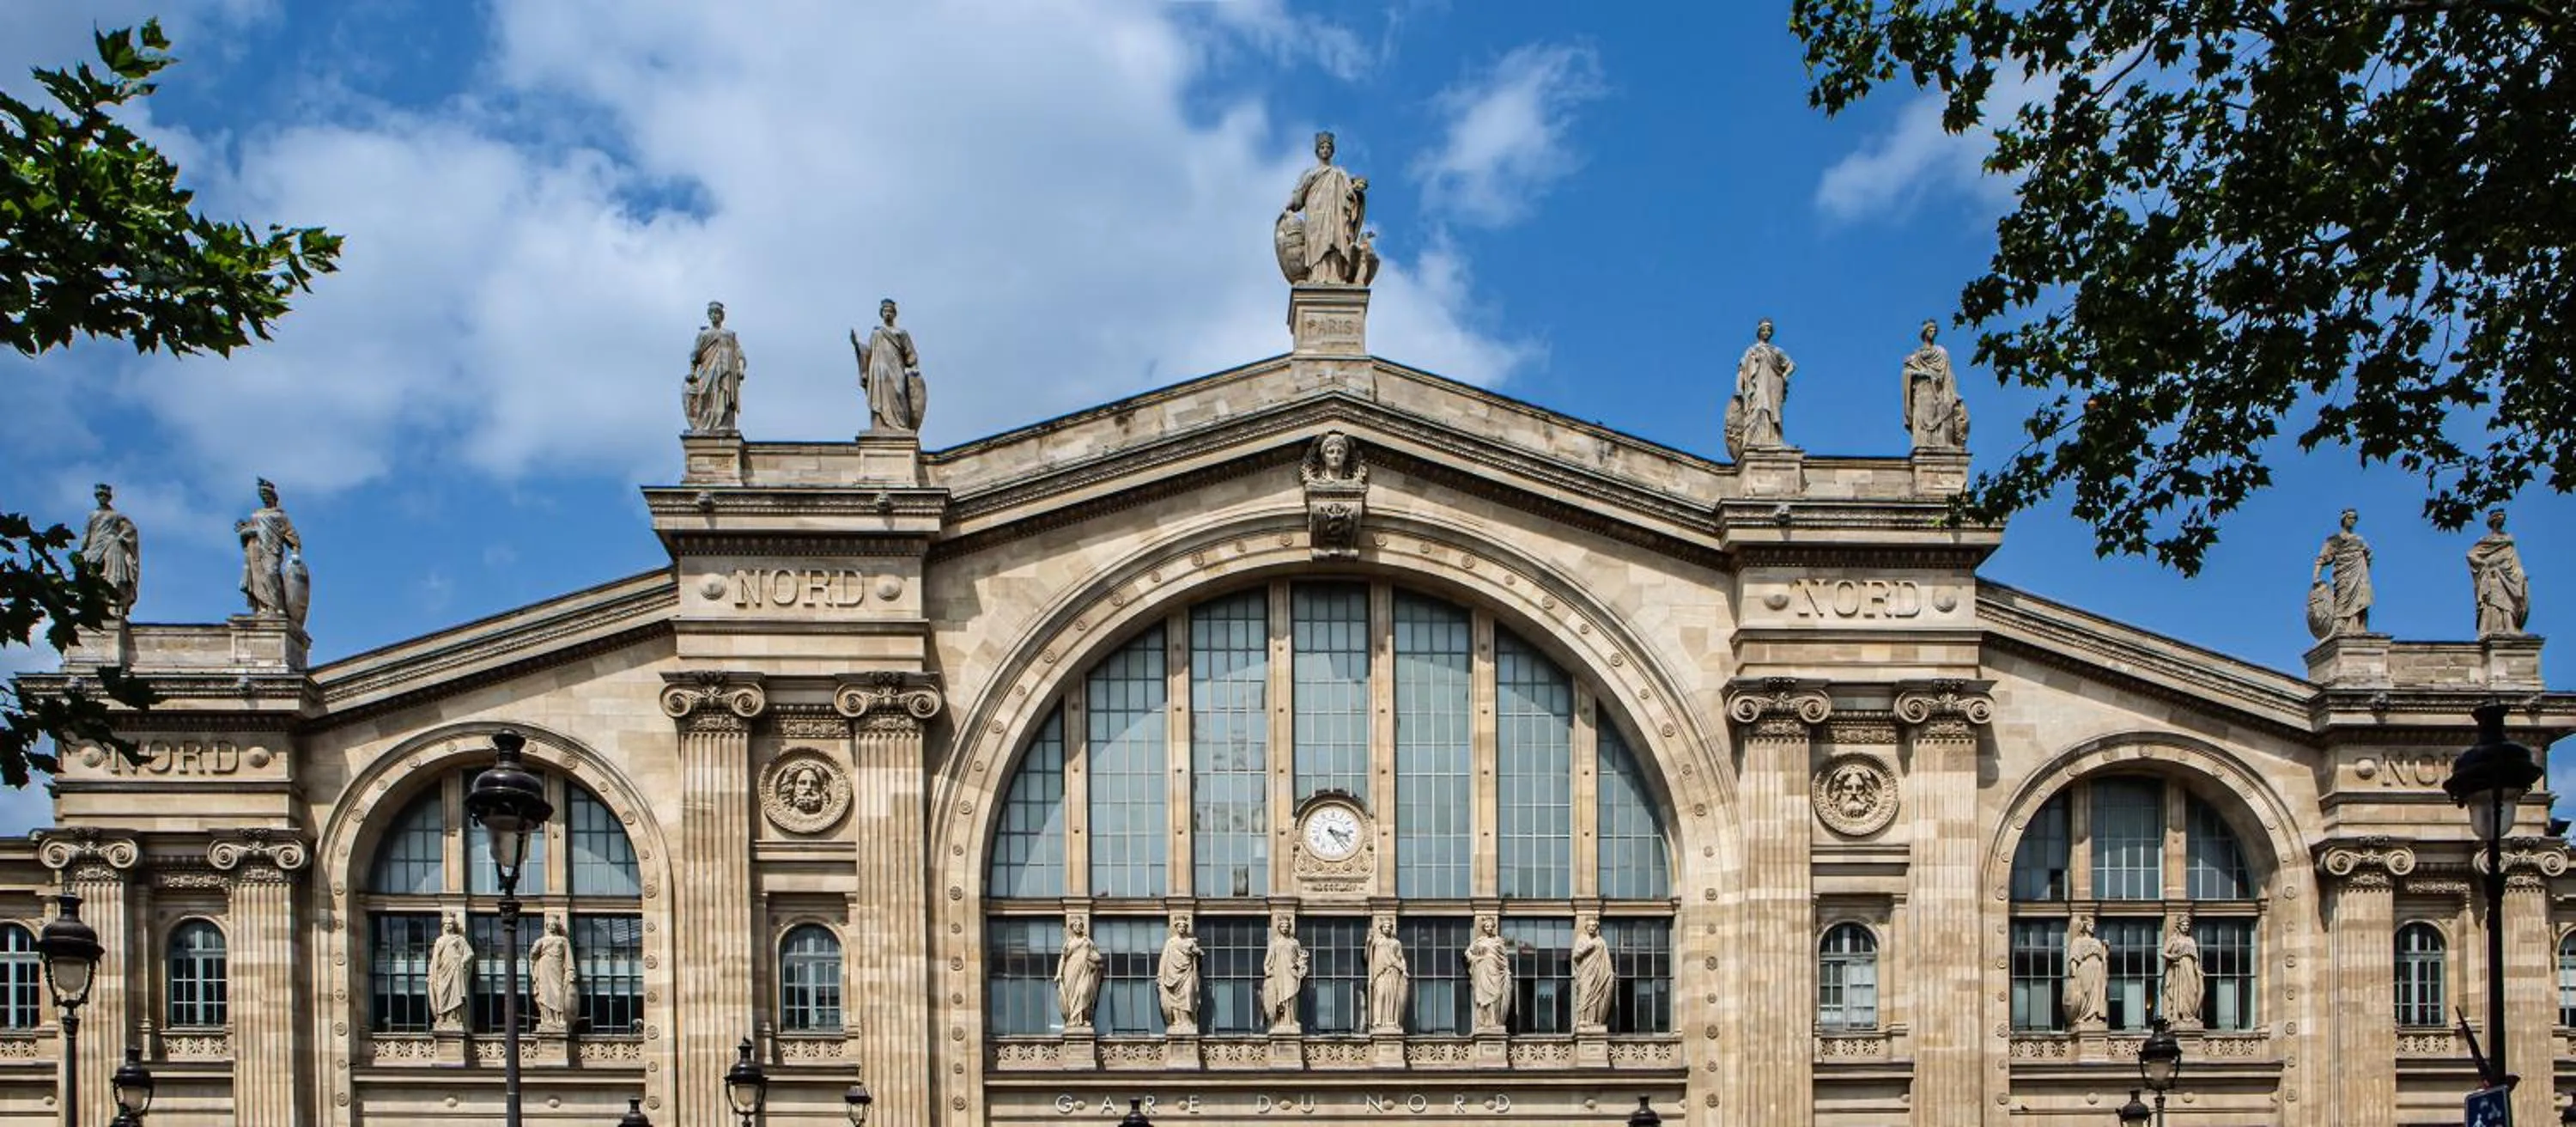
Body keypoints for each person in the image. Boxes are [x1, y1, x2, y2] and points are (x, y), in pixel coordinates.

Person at [1280, 131, 1369, 285]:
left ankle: (1336, 275)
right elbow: (1300, 193)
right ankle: (1316, 276)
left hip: (1335, 214)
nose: (1325, 150)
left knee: (1334, 240)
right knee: (1317, 243)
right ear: (1317, 151)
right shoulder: (1310, 174)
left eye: (1328, 147)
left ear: (1332, 151)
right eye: (1322, 147)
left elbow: (1350, 193)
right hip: (1316, 213)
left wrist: (1356, 191)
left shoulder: (1340, 173)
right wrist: (1291, 206)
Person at [851, 299, 926, 432]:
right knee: (879, 395)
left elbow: (911, 355)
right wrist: (857, 345)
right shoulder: (877, 332)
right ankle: (880, 425)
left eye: (890, 311)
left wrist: (913, 368)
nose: (888, 314)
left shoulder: (901, 333)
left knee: (898, 393)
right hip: (878, 370)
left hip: (896, 369)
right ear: (882, 313)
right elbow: (868, 352)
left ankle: (900, 426)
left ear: (894, 314)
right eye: (885, 311)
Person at [236, 478, 302, 623]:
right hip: (255, 548)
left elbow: (292, 535)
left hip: (272, 549)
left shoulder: (280, 516)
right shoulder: (256, 514)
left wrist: (296, 553)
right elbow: (247, 530)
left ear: (273, 497)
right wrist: (246, 531)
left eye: (267, 495)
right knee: (258, 578)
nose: (265, 498)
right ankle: (263, 607)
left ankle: (278, 607)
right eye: (263, 496)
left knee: (271, 573)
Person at [1727, 319, 1793, 458]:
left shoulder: (1776, 351)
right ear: (1759, 332)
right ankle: (1754, 441)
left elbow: (1791, 365)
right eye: (1764, 330)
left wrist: (1785, 376)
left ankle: (1774, 440)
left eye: (1769, 330)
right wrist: (1739, 389)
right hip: (1757, 387)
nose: (1766, 332)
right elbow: (1741, 371)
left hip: (1773, 385)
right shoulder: (1751, 351)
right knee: (1760, 409)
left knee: (1773, 414)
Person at [1901, 319, 1969, 451]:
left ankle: (1942, 444)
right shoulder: (1916, 356)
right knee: (1922, 421)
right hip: (1922, 392)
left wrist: (1952, 393)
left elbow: (1948, 374)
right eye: (1930, 330)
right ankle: (1923, 445)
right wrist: (1925, 374)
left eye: (1934, 331)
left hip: (1939, 391)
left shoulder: (1941, 352)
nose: (1933, 333)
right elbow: (1907, 373)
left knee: (1943, 415)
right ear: (1924, 333)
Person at [2308, 508, 2373, 638]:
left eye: (2355, 518)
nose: (2352, 521)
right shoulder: (2335, 539)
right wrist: (2316, 577)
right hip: (2343, 575)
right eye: (2350, 517)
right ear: (2344, 519)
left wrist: (2365, 561)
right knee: (2342, 600)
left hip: (2360, 575)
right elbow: (2321, 559)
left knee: (2362, 601)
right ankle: (2340, 627)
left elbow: (2369, 556)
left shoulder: (2359, 540)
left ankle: (2358, 628)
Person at [684, 300, 746, 433]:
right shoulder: (704, 334)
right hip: (708, 370)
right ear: (709, 315)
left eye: (717, 313)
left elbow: (739, 354)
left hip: (726, 371)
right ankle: (704, 424)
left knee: (723, 397)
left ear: (721, 316)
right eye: (711, 313)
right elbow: (695, 355)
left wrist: (740, 369)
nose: (714, 316)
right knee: (706, 394)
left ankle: (724, 425)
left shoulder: (729, 335)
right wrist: (693, 371)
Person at [78, 483, 140, 614]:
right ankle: (91, 606)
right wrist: (81, 549)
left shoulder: (115, 515)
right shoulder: (93, 515)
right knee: (90, 574)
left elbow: (131, 529)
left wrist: (121, 537)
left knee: (114, 575)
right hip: (94, 547)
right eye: (100, 495)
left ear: (109, 497)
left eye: (105, 495)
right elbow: (86, 534)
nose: (102, 497)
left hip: (113, 545)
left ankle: (114, 606)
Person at [2467, 509, 2530, 637]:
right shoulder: (2486, 540)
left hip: (2508, 575)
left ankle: (2510, 627)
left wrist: (2519, 574)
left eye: (2502, 518)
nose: (2501, 520)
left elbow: (2514, 561)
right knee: (2495, 600)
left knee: (2509, 601)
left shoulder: (2508, 540)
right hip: (2494, 575)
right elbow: (2471, 554)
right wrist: (2484, 564)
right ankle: (2497, 628)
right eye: (2498, 518)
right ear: (2493, 521)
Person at [1465, 916, 1514, 1032]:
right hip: (1483, 969)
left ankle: (1495, 1021)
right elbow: (1468, 953)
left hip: (1496, 970)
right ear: (1483, 928)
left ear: (1493, 927)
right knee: (1483, 996)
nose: (1489, 928)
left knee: (1496, 994)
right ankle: (1485, 1022)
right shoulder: (1479, 941)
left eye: (1491, 926)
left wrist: (1506, 970)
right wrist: (1475, 958)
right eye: (1487, 926)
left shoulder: (1498, 941)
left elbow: (1504, 957)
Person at [1261, 916, 1309, 1031]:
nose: (1285, 928)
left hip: (1291, 973)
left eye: (1287, 926)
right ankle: (1280, 1021)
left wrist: (1301, 965)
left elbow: (1300, 957)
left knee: (1292, 997)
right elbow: (1268, 961)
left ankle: (1291, 1021)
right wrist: (1268, 971)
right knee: (1280, 998)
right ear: (1279, 927)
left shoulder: (1294, 942)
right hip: (1278, 973)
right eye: (1282, 926)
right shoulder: (1274, 943)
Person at [530, 917, 577, 1032]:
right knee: (545, 993)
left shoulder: (563, 940)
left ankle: (560, 1018)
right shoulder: (541, 940)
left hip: (557, 967)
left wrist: (570, 971)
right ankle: (548, 1019)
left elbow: (568, 957)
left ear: (557, 926)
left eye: (554, 924)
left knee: (558, 992)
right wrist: (535, 950)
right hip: (544, 967)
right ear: (547, 927)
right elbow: (533, 956)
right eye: (550, 924)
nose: (552, 926)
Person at [1157, 916, 1202, 1033]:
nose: (1182, 928)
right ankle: (1177, 1021)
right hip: (1172, 974)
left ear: (1186, 928)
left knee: (1188, 994)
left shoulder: (1190, 942)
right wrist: (1161, 975)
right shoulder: (1171, 942)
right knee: (1174, 997)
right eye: (1179, 926)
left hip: (1187, 972)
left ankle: (1187, 1021)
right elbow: (1164, 959)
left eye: (1184, 926)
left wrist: (1197, 954)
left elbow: (1200, 955)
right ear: (1176, 928)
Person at [1057, 917, 1103, 1028]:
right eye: (1075, 925)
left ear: (1082, 927)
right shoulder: (1069, 942)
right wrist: (1059, 973)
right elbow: (1063, 959)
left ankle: (1085, 1019)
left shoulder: (1087, 941)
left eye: (1080, 925)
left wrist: (1095, 964)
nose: (1078, 927)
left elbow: (1097, 956)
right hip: (1071, 970)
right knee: (1072, 996)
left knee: (1084, 992)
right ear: (1072, 928)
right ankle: (1074, 1019)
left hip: (1085, 970)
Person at [429, 915, 473, 1030]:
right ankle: (442, 1016)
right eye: (446, 924)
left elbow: (470, 953)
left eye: (450, 924)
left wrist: (462, 961)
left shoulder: (459, 939)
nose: (448, 926)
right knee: (442, 993)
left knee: (456, 993)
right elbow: (435, 959)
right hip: (443, 971)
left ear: (454, 926)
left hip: (455, 969)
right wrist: (432, 974)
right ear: (443, 926)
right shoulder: (440, 940)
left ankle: (455, 1017)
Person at [2063, 916, 2107, 1027]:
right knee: (2085, 992)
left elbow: (2103, 958)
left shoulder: (2097, 942)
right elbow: (2074, 957)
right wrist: (2073, 972)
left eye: (2093, 926)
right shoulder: (2078, 941)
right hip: (2085, 967)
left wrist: (2105, 949)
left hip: (2097, 968)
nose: (2092, 928)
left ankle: (2094, 1017)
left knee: (2096, 993)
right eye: (2090, 925)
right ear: (2085, 926)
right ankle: (2084, 1016)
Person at [1571, 917, 1615, 1028]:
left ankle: (1593, 1020)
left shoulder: (1600, 941)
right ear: (1586, 927)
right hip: (1585, 972)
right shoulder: (1581, 939)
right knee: (1585, 994)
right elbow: (1575, 956)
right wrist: (1587, 949)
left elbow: (1606, 959)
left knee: (1596, 994)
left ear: (1596, 928)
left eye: (1594, 926)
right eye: (1589, 926)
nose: (1591, 928)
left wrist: (1609, 973)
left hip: (1598, 972)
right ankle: (1582, 1019)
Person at [1366, 919, 1408, 1032]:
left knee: (1392, 997)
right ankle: (1378, 1021)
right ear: (1381, 929)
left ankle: (1391, 1022)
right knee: (1380, 995)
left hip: (1393, 971)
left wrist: (1404, 970)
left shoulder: (1396, 943)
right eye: (1385, 927)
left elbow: (1400, 958)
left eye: (1389, 927)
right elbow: (1368, 957)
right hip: (1380, 973)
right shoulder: (1376, 942)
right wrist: (1368, 943)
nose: (1387, 928)